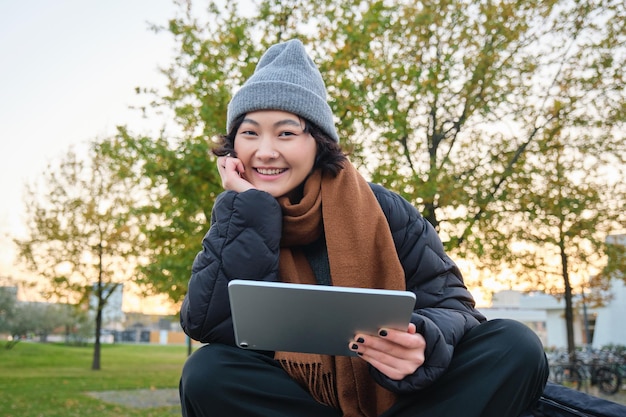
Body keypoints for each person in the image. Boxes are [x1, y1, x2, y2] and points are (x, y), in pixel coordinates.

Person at [178, 38, 548, 417]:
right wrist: (249, 209)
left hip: (402, 396)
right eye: (250, 133)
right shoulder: (238, 216)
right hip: (297, 400)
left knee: (514, 345)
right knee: (207, 373)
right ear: (232, 147)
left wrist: (421, 341)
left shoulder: (385, 209)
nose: (266, 151)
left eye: (286, 133)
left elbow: (453, 304)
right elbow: (210, 325)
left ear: (318, 142)